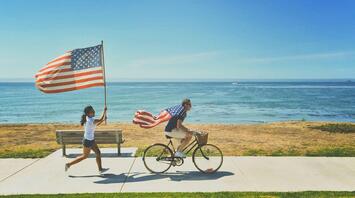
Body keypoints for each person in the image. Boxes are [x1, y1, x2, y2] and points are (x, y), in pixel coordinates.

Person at [65, 105, 108, 173]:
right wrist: (104, 111)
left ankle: (100, 169)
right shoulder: (90, 120)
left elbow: (96, 124)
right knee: (84, 156)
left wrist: (103, 120)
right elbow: (99, 119)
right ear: (88, 113)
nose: (94, 111)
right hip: (88, 141)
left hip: (91, 140)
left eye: (93, 110)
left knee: (98, 153)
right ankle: (68, 164)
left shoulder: (88, 118)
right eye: (92, 111)